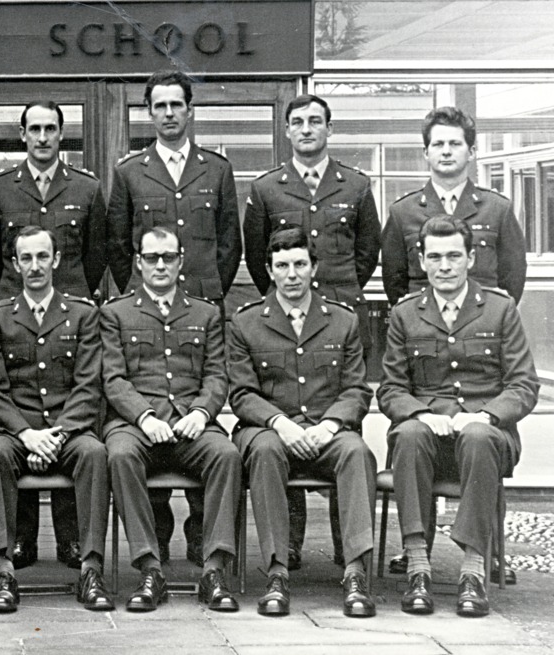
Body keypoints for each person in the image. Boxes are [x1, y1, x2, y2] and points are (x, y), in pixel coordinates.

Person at [107, 69, 242, 565]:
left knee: (198, 430)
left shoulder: (217, 169)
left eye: (176, 105)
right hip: (144, 313)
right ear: (149, 112)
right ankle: (156, 540)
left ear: (190, 111)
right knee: (149, 432)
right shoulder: (129, 171)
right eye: (159, 105)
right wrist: (138, 296)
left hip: (197, 307)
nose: (168, 114)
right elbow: (120, 245)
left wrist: (205, 289)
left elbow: (230, 244)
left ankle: (202, 538)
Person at [243, 94, 381, 570]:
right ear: (286, 130)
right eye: (298, 122)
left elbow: (367, 253)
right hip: (283, 322)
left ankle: (350, 549)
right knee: (285, 419)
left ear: (329, 128)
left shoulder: (358, 186)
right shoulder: (266, 189)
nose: (306, 129)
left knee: (345, 432)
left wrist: (334, 298)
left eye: (315, 121)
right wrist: (284, 301)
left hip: (337, 320)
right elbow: (261, 259)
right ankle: (292, 543)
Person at [378, 216, 538, 618]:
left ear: (470, 258)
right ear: (422, 261)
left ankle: (473, 568)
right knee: (410, 434)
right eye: (435, 257)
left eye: (453, 256)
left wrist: (485, 415)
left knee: (479, 438)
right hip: (427, 440)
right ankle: (418, 565)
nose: (444, 266)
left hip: (485, 440)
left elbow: (523, 385)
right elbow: (391, 388)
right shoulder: (405, 314)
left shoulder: (500, 311)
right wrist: (420, 413)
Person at [0, 101, 107, 570]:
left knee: (67, 410)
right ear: (22, 134)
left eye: (51, 128)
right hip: (16, 314)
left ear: (61, 134)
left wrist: (70, 294)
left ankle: (74, 543)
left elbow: (96, 258)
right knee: (24, 397)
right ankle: (20, 542)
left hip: (67, 315)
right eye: (34, 128)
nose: (43, 136)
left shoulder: (88, 188)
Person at [227, 225, 377, 617]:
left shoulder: (342, 321)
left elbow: (357, 389)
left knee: (357, 452)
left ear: (314, 268)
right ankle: (277, 572)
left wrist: (328, 426)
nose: (291, 275)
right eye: (282, 266)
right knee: (263, 450)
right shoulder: (246, 323)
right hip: (270, 432)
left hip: (328, 431)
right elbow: (241, 393)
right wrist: (280, 423)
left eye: (299, 264)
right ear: (269, 270)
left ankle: (356, 571)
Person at [102, 226, 241, 613]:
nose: (160, 265)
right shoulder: (115, 313)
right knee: (119, 456)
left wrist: (200, 411)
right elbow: (113, 379)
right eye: (151, 258)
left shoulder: (206, 313)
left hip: (191, 425)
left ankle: (214, 569)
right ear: (138, 263)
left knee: (227, 455)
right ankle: (150, 569)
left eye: (168, 257)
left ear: (181, 261)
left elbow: (217, 375)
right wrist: (144, 417)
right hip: (137, 427)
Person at [0, 226, 111, 613]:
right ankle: (4, 571)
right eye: (26, 258)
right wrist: (27, 434)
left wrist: (56, 435)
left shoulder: (84, 315)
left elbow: (89, 386)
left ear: (55, 260)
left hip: (67, 431)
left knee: (95, 453)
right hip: (15, 430)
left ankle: (90, 569)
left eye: (42, 257)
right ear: (15, 264)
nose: (34, 266)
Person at [382, 107, 526, 305]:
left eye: (455, 144)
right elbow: (394, 282)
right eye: (438, 144)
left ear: (472, 152)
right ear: (426, 152)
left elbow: (513, 278)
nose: (446, 151)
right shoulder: (402, 213)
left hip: (482, 325)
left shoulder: (498, 209)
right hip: (424, 325)